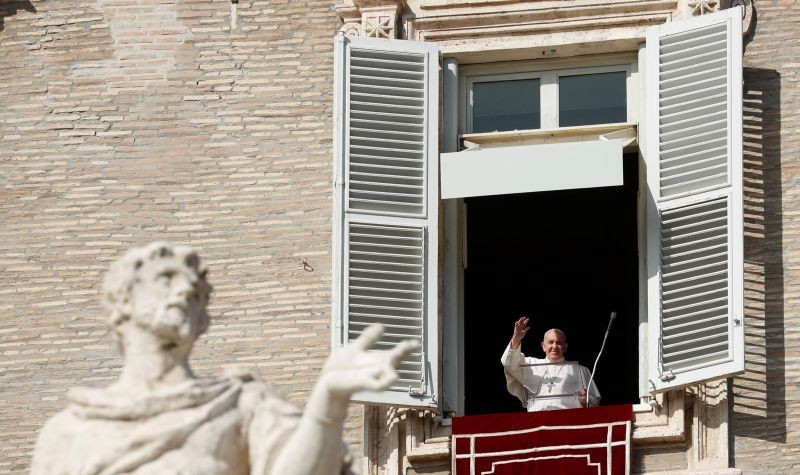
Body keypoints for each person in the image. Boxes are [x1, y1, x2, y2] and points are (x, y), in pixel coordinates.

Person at [31, 242, 418, 475]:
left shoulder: (242, 407)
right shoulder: (66, 432)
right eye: (166, 278)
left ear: (203, 319)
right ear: (122, 301)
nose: (185, 291)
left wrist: (329, 402)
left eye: (197, 291)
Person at [501, 316, 600, 411]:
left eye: (559, 343)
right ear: (543, 346)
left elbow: (595, 403)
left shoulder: (580, 370)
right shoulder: (531, 365)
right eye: (551, 342)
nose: (555, 346)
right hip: (537, 421)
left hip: (568, 421)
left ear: (565, 347)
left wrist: (586, 401)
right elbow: (509, 363)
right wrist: (516, 338)